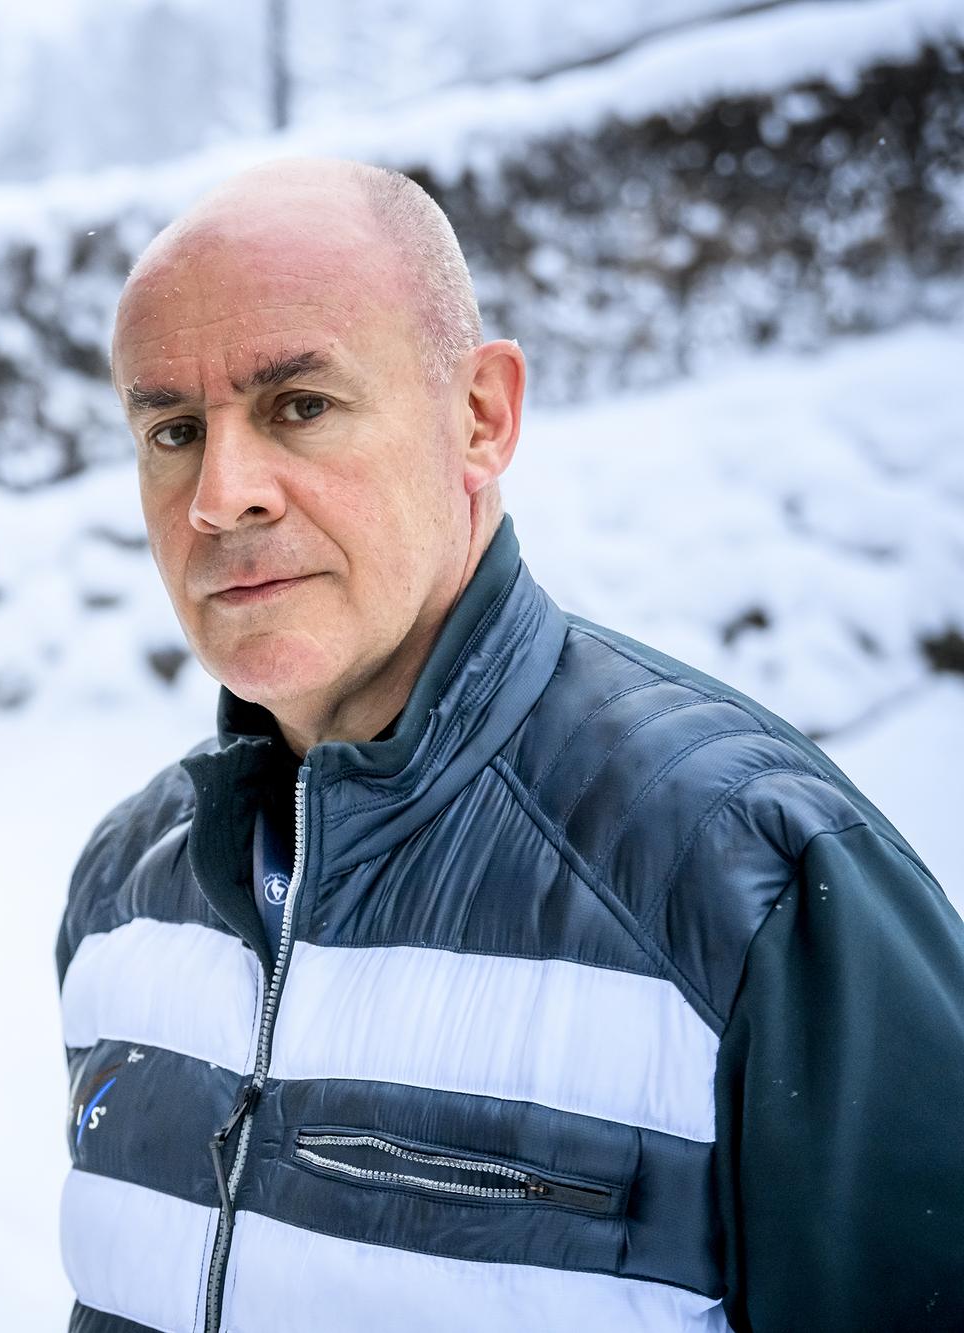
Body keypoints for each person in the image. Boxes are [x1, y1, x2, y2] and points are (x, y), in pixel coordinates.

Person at [54, 157, 964, 1333]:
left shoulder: (748, 878)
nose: (220, 497)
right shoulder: (125, 895)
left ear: (478, 416)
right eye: (172, 429)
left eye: (300, 405)